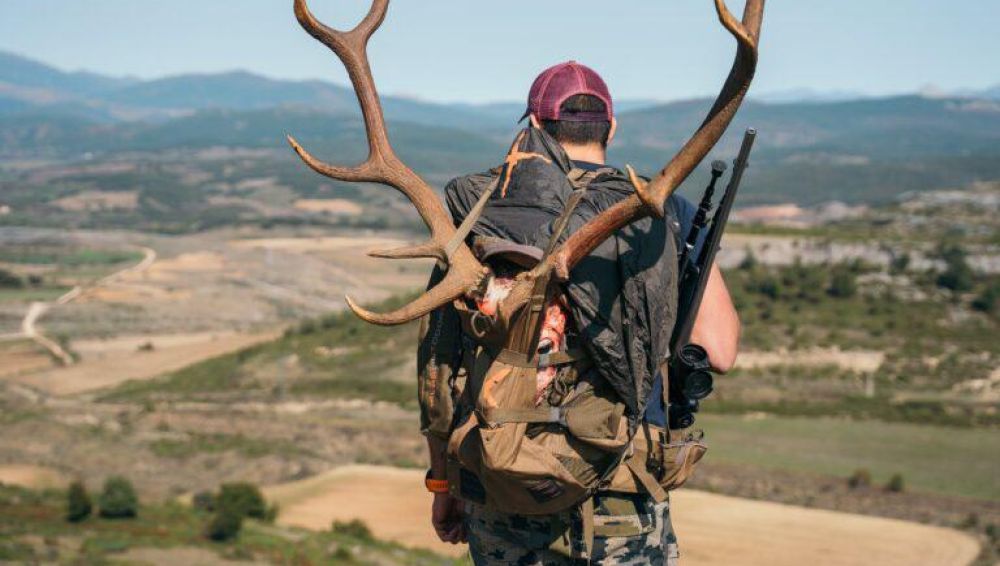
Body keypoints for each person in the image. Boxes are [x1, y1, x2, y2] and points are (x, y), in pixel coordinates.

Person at [417, 61, 740, 565]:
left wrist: (443, 483)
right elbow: (719, 350)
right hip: (621, 494)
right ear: (611, 128)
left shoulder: (479, 213)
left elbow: (437, 368)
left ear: (534, 127)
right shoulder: (660, 211)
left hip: (502, 487)